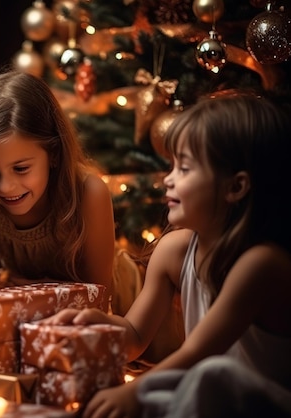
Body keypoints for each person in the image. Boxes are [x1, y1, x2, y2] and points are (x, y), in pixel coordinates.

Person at [41, 90, 291, 417]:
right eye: (171, 166)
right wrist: (101, 324)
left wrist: (133, 390)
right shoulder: (174, 249)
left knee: (212, 376)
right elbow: (135, 337)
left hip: (265, 403)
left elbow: (200, 353)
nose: (168, 180)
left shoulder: (261, 263)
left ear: (236, 187)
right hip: (209, 399)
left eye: (184, 169)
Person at [0, 70, 115, 294]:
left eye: (21, 168)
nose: (5, 186)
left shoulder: (88, 194)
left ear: (53, 153)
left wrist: (26, 291)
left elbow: (98, 297)